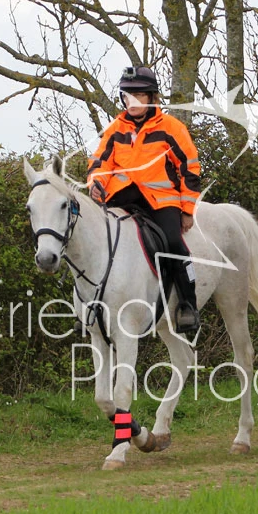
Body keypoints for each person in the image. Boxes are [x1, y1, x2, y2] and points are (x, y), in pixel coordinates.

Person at [88, 66, 201, 333]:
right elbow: (100, 163)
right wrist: (96, 183)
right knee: (94, 241)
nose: (133, 102)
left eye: (139, 95)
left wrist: (187, 209)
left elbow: (190, 168)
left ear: (152, 97)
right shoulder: (115, 129)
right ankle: (91, 306)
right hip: (121, 199)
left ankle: (188, 304)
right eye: (128, 96)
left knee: (174, 243)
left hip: (160, 201)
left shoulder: (171, 128)